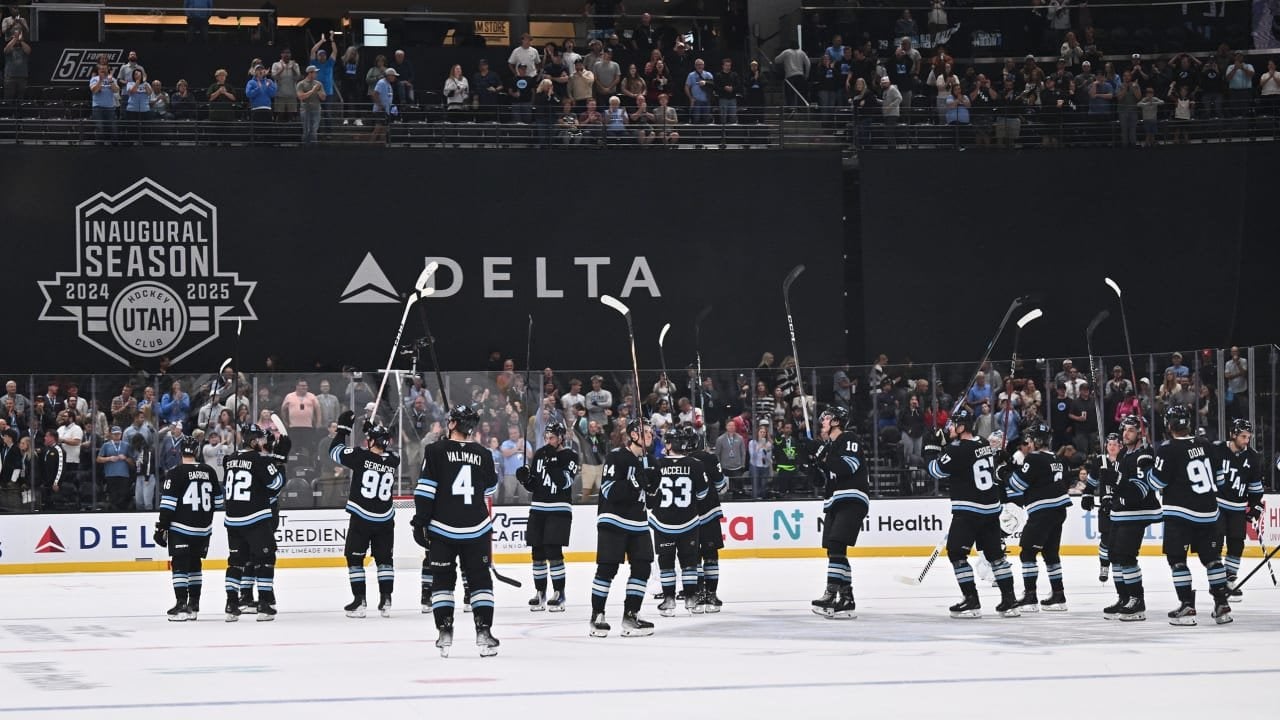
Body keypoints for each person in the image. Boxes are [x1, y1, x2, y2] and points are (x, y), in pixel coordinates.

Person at [413, 405, 500, 657]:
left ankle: (444, 632)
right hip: (476, 528)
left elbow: (426, 490)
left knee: (442, 581)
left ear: (452, 424)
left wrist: (420, 521)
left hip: (442, 528)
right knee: (480, 581)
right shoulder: (483, 453)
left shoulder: (435, 450)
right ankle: (484, 632)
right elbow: (489, 490)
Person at [927, 408, 1020, 618]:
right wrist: (947, 447)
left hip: (969, 511)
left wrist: (931, 449)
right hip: (990, 510)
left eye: (953, 424)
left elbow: (935, 470)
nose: (949, 427)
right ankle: (1010, 599)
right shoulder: (983, 444)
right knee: (996, 556)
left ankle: (971, 600)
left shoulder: (957, 449)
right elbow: (964, 459)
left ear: (961, 427)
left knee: (957, 553)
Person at [1144, 405, 1232, 625]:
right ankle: (1222, 604)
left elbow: (1156, 483)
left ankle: (1187, 606)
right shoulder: (1207, 445)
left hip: (1180, 515)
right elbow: (1220, 481)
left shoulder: (1167, 448)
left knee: (1177, 561)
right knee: (1212, 560)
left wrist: (1148, 466)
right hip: (1210, 514)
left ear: (1169, 425)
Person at [590, 418, 657, 638]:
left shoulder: (650, 462)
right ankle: (597, 615)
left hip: (638, 522)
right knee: (607, 569)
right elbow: (609, 490)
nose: (650, 435)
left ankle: (631, 615)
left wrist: (653, 485)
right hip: (614, 520)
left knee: (642, 567)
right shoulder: (616, 456)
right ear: (633, 435)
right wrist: (637, 481)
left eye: (651, 431)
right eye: (645, 431)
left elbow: (653, 501)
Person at [330, 411, 399, 618]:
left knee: (354, 558)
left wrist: (343, 430)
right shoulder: (393, 460)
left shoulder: (360, 456)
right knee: (385, 560)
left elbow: (334, 451)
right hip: (385, 519)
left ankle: (359, 601)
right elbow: (380, 452)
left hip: (362, 518)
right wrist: (371, 432)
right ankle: (386, 600)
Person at [1000, 422, 1070, 612]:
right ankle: (1058, 595)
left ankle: (1030, 597)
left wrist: (1003, 471)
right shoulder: (1056, 458)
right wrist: (1010, 462)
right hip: (1058, 510)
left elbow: (1017, 484)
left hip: (1042, 511)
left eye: (1030, 439)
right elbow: (1034, 475)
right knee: (1051, 554)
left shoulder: (1034, 458)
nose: (1028, 443)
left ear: (1038, 441)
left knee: (1027, 553)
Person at [222, 423, 287, 621]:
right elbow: (275, 485)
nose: (263, 442)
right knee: (265, 560)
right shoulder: (258, 459)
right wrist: (280, 463)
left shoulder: (231, 459)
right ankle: (265, 604)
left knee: (235, 563)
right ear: (253, 441)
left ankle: (231, 604)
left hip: (232, 521)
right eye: (260, 439)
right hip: (255, 518)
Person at [154, 436, 224, 621]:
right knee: (195, 565)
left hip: (181, 528)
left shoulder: (175, 472)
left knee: (180, 565)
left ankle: (181, 604)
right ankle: (194, 605)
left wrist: (161, 527)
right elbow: (218, 502)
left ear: (180, 451)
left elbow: (168, 505)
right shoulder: (209, 471)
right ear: (197, 451)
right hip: (203, 529)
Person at [810, 406, 867, 619]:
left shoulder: (848, 438)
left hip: (851, 498)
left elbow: (848, 466)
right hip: (834, 501)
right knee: (835, 551)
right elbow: (820, 480)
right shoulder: (830, 447)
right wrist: (811, 464)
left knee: (836, 545)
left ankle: (831, 593)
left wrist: (825, 457)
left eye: (825, 418)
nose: (821, 421)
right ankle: (846, 598)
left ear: (836, 421)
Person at [515, 421, 577, 611]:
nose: (548, 441)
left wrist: (552, 464)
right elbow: (535, 485)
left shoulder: (570, 455)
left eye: (552, 438)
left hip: (559, 509)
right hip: (538, 508)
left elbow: (564, 483)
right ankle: (540, 592)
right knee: (537, 553)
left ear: (561, 438)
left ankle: (559, 593)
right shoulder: (540, 454)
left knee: (553, 551)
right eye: (546, 437)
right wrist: (526, 479)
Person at [648, 425, 708, 617]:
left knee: (666, 563)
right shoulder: (696, 464)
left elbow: (650, 495)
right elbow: (703, 493)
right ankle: (691, 598)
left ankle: (669, 600)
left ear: (668, 444)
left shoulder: (657, 464)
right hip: (689, 521)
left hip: (662, 522)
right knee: (689, 562)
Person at [1211, 419, 1265, 598]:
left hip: (1238, 508)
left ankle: (1229, 579)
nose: (1246, 441)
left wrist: (1256, 506)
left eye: (1248, 437)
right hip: (1217, 506)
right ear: (1233, 434)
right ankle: (1217, 581)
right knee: (1215, 544)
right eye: (1243, 436)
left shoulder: (1252, 456)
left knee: (1236, 544)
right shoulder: (1217, 449)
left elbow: (1255, 487)